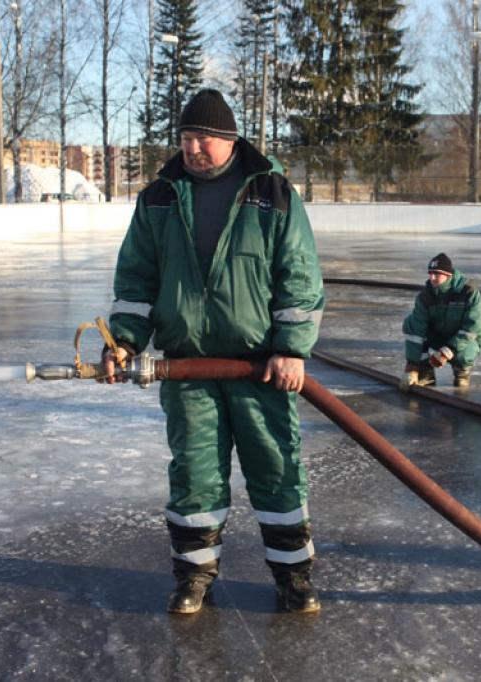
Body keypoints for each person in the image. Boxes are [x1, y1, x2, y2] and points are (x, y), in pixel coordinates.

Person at [102, 89, 325, 615]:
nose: (193, 147)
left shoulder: (271, 193)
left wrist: (291, 348)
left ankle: (293, 578)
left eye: (203, 138)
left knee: (276, 468)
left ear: (229, 140)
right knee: (196, 473)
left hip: (259, 367)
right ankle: (194, 576)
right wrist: (125, 339)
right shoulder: (158, 196)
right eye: (185, 138)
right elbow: (137, 277)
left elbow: (299, 274)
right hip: (186, 367)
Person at [401, 253, 481, 390]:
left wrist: (447, 351)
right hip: (438, 336)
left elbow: (472, 328)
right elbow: (416, 330)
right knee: (411, 324)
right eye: (430, 273)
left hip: (464, 339)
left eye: (437, 274)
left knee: (466, 352)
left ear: (448, 275)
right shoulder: (425, 296)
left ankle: (461, 373)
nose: (432, 278)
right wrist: (412, 365)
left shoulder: (469, 293)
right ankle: (425, 372)